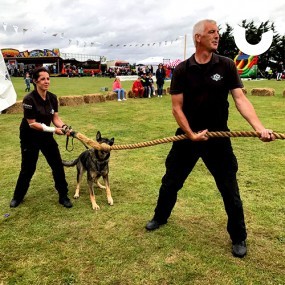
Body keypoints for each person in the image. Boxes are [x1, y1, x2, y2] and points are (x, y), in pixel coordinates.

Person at [145, 19, 275, 258]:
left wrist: (259, 128)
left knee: (229, 189)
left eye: (217, 32)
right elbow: (176, 108)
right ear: (198, 37)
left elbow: (240, 99)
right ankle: (159, 217)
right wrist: (190, 134)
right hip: (187, 136)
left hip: (218, 137)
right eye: (211, 32)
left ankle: (239, 237)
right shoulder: (183, 69)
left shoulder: (226, 65)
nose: (217, 36)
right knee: (171, 181)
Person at [10, 67, 73, 209]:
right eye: (43, 79)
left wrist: (64, 127)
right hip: (29, 137)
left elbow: (55, 118)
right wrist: (53, 130)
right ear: (35, 81)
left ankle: (63, 195)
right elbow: (32, 124)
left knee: (57, 164)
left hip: (46, 137)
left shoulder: (52, 97)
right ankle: (17, 197)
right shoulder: (29, 99)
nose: (46, 81)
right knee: (28, 168)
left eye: (48, 78)